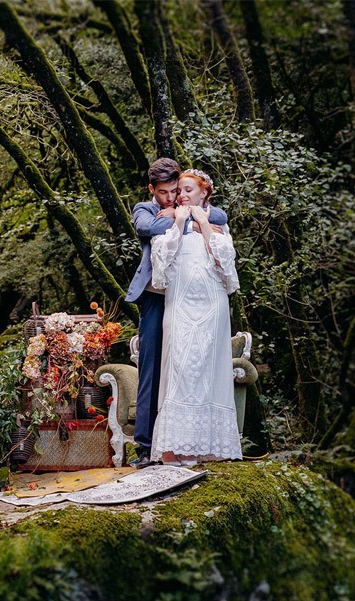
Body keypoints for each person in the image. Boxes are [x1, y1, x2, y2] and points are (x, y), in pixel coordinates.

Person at [126, 159, 227, 469]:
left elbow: (220, 215)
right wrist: (182, 219)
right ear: (151, 190)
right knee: (151, 368)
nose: (170, 199)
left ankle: (184, 442)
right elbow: (146, 227)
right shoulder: (144, 208)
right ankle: (145, 447)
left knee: (185, 371)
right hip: (157, 298)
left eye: (175, 191)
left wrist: (187, 216)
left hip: (189, 301)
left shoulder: (186, 202)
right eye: (164, 193)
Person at [149, 169, 242, 465]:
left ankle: (202, 448)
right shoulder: (169, 221)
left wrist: (202, 224)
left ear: (204, 193)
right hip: (180, 304)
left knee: (205, 368)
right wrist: (178, 224)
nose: (182, 195)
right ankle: (174, 449)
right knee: (180, 367)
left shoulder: (217, 225)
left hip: (211, 305)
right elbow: (160, 269)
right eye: (180, 191)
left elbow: (227, 268)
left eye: (188, 190)